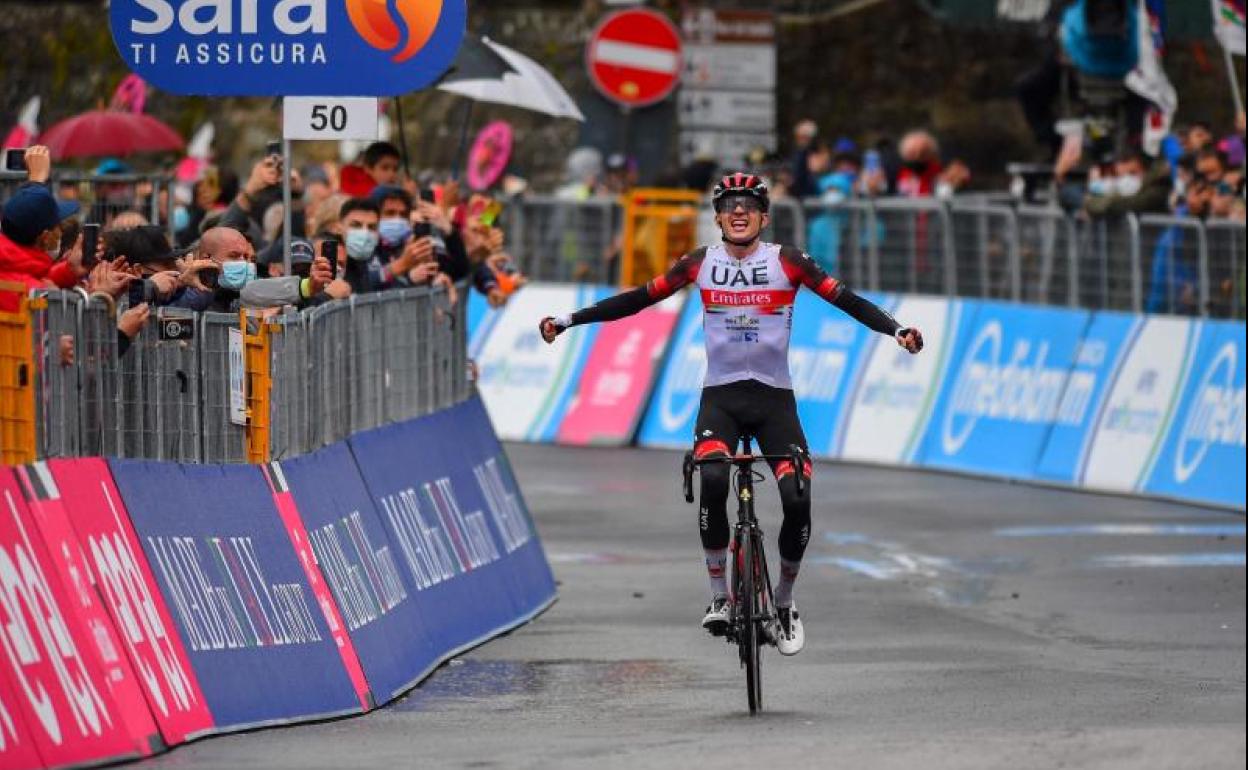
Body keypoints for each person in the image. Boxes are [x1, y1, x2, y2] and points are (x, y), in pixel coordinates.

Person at [538, 173, 924, 656]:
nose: (739, 211)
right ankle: (720, 597)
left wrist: (896, 330)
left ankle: (783, 601)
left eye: (749, 204)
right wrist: (570, 320)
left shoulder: (788, 261)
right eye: (729, 205)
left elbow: (846, 300)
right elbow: (638, 299)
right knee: (714, 480)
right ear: (718, 217)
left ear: (763, 216)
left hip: (773, 401)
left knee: (797, 499)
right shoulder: (700, 263)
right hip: (719, 399)